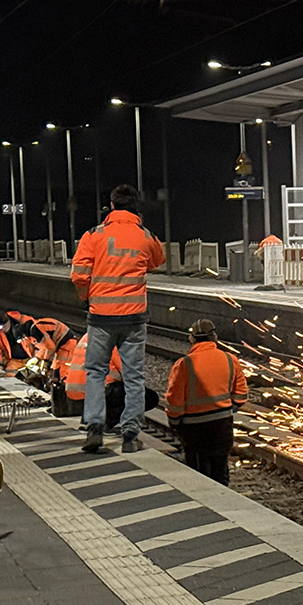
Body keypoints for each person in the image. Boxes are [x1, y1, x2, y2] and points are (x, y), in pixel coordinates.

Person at [71, 184, 164, 453]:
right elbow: (157, 260)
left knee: (95, 372)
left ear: (111, 205)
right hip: (134, 318)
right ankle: (130, 435)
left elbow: (79, 275)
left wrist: (87, 298)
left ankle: (94, 427)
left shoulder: (94, 234)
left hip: (101, 318)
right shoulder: (145, 236)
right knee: (134, 377)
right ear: (136, 207)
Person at [164, 320, 247, 485]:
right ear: (214, 337)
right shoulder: (230, 359)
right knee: (220, 470)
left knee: (200, 473)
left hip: (194, 428)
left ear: (192, 338)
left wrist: (174, 422)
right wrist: (229, 409)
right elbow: (241, 395)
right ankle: (223, 496)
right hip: (222, 425)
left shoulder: (184, 364)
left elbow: (174, 399)